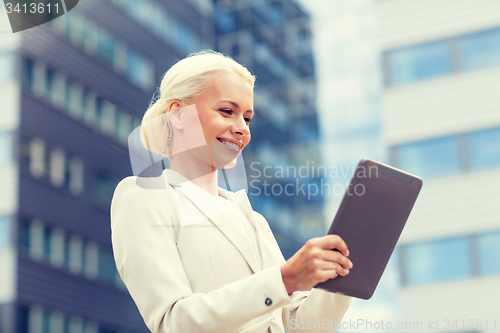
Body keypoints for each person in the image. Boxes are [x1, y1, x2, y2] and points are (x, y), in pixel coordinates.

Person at [110, 50, 353, 333]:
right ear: (177, 114)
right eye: (227, 111)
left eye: (247, 118)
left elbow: (299, 326)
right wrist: (284, 280)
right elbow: (173, 322)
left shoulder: (251, 220)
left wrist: (347, 276)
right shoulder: (144, 196)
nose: (241, 129)